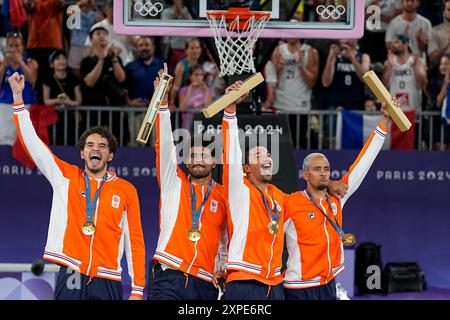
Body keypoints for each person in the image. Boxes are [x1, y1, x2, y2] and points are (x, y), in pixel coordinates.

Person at [8, 71, 145, 300]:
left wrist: (138, 289)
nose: (96, 149)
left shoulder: (126, 189)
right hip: (71, 270)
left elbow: (135, 242)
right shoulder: (66, 176)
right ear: (82, 152)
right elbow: (34, 145)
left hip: (108, 278)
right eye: (90, 145)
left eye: (102, 146)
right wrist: (18, 99)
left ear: (110, 155)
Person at [220, 81, 347, 300]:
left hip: (275, 283)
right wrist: (230, 112)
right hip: (244, 279)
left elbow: (310, 200)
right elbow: (230, 155)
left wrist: (329, 184)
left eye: (268, 154)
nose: (266, 157)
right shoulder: (240, 191)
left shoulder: (281, 198)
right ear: (246, 168)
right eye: (258, 156)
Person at [283, 103, 391, 300]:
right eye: (317, 169)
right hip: (299, 286)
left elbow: (363, 163)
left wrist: (384, 121)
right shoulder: (290, 202)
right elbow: (267, 237)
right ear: (305, 175)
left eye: (326, 169)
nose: (323, 173)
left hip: (328, 283)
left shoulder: (337, 197)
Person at [148, 64, 228, 300]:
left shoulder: (224, 195)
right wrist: (162, 104)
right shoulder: (175, 184)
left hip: (205, 281)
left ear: (214, 162)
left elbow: (226, 239)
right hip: (169, 273)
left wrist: (223, 268)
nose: (198, 159)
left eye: (204, 155)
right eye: (192, 155)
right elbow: (164, 145)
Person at [271, 38, 319, 148]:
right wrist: (278, 67)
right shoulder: (278, 51)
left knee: (299, 145)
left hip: (300, 107)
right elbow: (272, 81)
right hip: (280, 106)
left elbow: (312, 82)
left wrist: (300, 64)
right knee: (280, 146)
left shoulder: (310, 51)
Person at [382, 34, 426, 149]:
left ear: (405, 44)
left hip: (412, 111)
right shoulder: (389, 62)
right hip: (395, 111)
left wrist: (416, 66)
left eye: (396, 42)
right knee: (394, 145)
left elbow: (420, 83)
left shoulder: (417, 60)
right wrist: (390, 66)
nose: (392, 45)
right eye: (391, 43)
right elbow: (384, 84)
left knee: (411, 145)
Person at [0, 32, 38, 146]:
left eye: (17, 46)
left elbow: (32, 80)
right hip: (5, 106)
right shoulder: (2, 63)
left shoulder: (31, 62)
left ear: (22, 47)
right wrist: (3, 66)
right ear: (6, 47)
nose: (13, 49)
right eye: (10, 46)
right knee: (4, 142)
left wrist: (20, 61)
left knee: (26, 143)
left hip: (26, 105)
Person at [124, 36, 164, 143]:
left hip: (156, 113)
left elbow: (170, 86)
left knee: (156, 144)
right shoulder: (130, 67)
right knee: (136, 144)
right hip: (136, 112)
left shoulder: (162, 65)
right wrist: (129, 102)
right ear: (137, 48)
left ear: (153, 47)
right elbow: (124, 88)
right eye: (141, 45)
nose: (144, 48)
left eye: (147, 45)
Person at [23, 0, 65, 102]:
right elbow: (27, 5)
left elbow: (61, 4)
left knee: (52, 78)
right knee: (35, 79)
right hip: (35, 45)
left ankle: (52, 105)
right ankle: (36, 106)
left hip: (52, 44)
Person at [43, 49, 82, 145]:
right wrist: (58, 100)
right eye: (57, 59)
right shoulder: (47, 80)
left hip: (70, 118)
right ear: (52, 64)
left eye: (64, 58)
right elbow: (46, 101)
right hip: (53, 118)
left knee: (71, 142)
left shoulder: (74, 79)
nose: (61, 61)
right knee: (54, 142)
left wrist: (69, 102)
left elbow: (79, 100)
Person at [169, 38, 203, 109]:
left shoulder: (202, 64)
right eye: (192, 48)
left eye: (197, 48)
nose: (195, 50)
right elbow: (176, 86)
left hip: (199, 101)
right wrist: (171, 103)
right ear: (186, 51)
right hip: (184, 100)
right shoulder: (181, 65)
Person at [179, 64, 213, 130]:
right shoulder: (184, 90)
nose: (199, 77)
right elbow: (182, 108)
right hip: (188, 124)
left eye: (201, 75)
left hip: (203, 124)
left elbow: (208, 108)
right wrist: (190, 90)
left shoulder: (208, 90)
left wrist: (206, 91)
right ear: (190, 77)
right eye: (196, 74)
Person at [427, 54, 450, 150]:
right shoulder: (434, 82)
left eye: (446, 64)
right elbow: (438, 103)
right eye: (441, 64)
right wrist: (445, 84)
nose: (442, 66)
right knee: (441, 149)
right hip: (439, 122)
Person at [428, 0, 450, 65]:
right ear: (444, 12)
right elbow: (432, 58)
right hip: (441, 67)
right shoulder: (435, 31)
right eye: (449, 10)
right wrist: (448, 44)